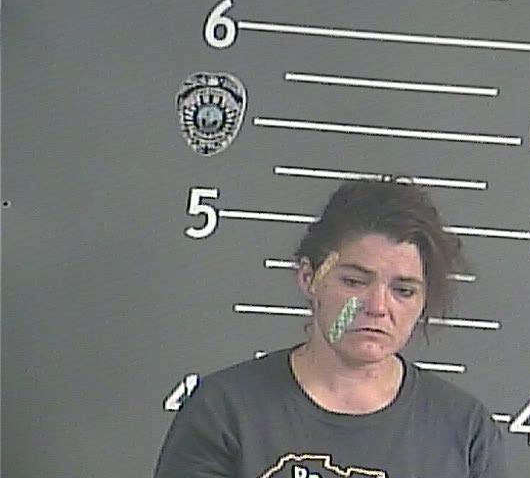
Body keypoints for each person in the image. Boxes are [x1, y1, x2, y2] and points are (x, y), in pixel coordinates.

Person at [154, 180, 507, 478]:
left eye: (403, 290)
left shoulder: (464, 427)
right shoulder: (225, 409)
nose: (377, 306)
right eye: (354, 281)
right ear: (309, 278)